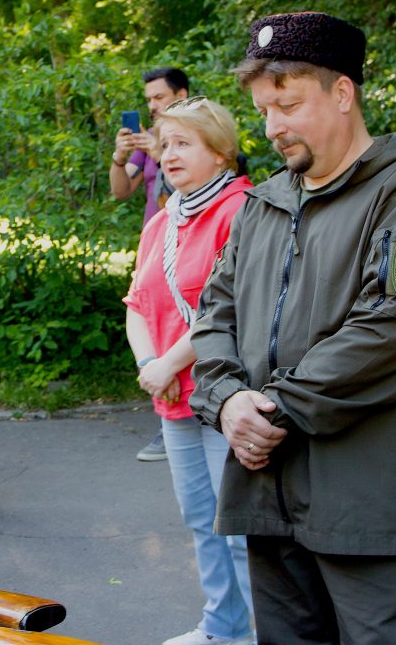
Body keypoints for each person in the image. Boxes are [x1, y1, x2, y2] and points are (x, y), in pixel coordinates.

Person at [189, 13, 396, 644]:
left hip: (374, 511)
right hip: (269, 503)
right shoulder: (263, 204)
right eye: (264, 110)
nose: (272, 128)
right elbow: (214, 315)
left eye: (288, 105)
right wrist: (227, 400)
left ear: (343, 93)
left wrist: (272, 410)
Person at [124, 97, 254, 645]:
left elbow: (231, 306)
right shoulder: (160, 223)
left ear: (221, 153)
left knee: (243, 529)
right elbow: (136, 304)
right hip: (174, 395)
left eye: (184, 143)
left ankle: (264, 633)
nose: (169, 154)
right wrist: (152, 366)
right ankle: (223, 627)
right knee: (201, 520)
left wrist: (170, 362)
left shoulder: (240, 209)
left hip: (226, 396)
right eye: (165, 143)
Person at [111, 66, 190, 462]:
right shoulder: (146, 141)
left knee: (188, 326)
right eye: (149, 100)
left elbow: (219, 174)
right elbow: (121, 188)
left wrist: (162, 151)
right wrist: (120, 156)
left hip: (191, 244)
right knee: (153, 327)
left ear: (182, 93)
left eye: (159, 97)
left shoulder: (197, 133)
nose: (153, 106)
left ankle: (187, 420)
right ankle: (167, 419)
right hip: (155, 244)